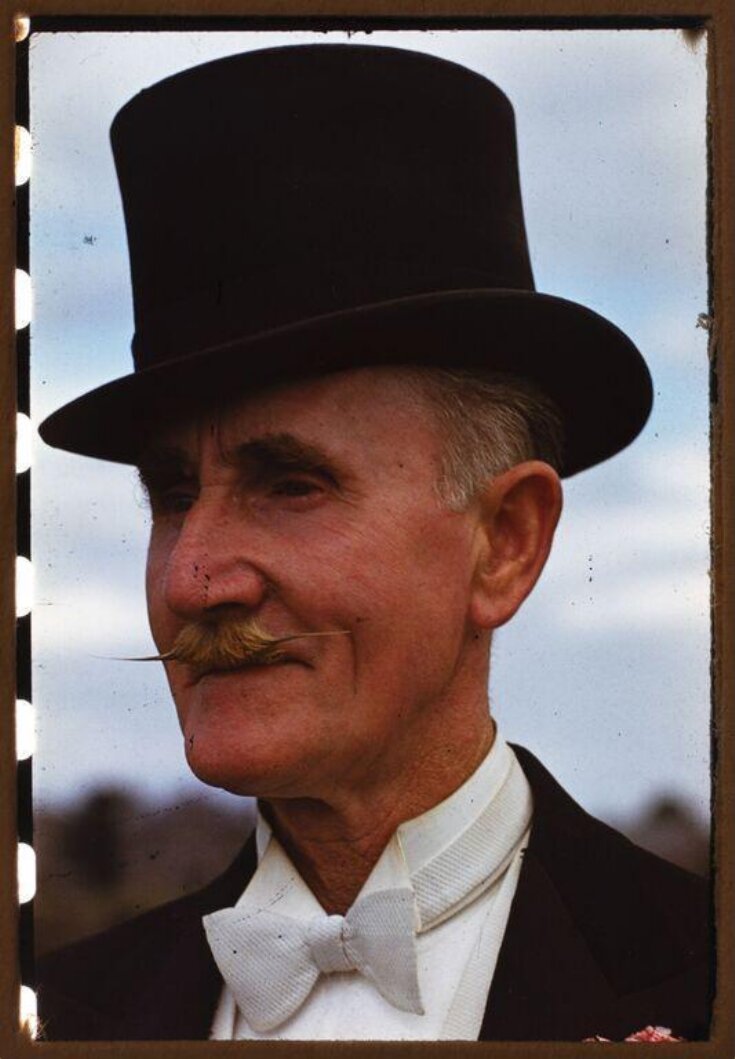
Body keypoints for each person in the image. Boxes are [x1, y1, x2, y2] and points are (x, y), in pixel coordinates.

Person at [36, 43, 710, 1042]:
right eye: (172, 494)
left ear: (506, 543)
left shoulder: (702, 979)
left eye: (291, 484)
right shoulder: (57, 1016)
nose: (192, 576)